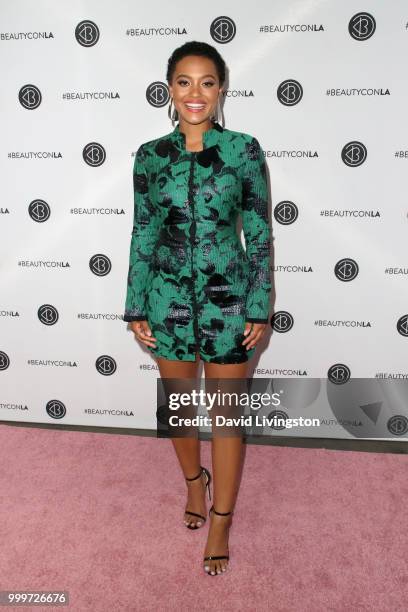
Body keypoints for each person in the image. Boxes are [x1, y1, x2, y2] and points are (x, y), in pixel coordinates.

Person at [123, 40, 272, 576]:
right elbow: (142, 232)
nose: (195, 93)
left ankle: (223, 520)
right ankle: (194, 484)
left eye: (207, 82)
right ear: (169, 89)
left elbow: (258, 234)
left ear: (222, 89)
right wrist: (135, 302)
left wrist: (258, 308)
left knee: (226, 417)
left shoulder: (244, 151)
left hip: (229, 305)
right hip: (165, 303)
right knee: (181, 407)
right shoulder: (148, 156)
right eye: (184, 81)